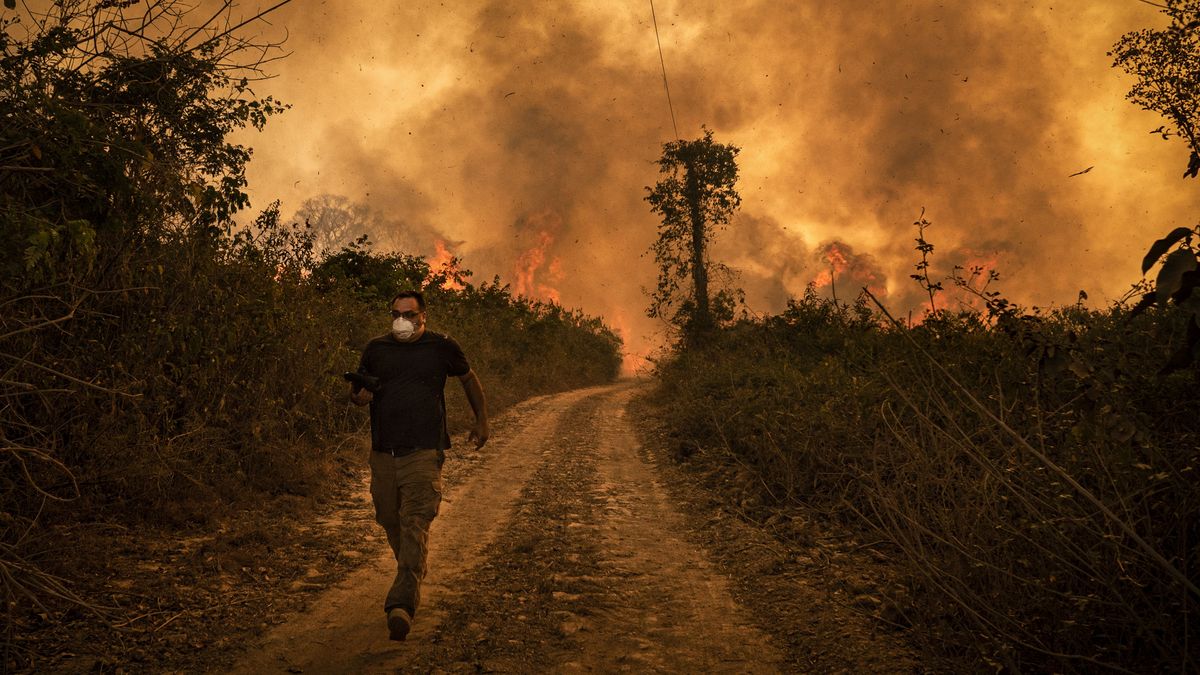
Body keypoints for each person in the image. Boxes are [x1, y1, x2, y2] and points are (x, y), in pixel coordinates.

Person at [350, 290, 489, 641]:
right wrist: (359, 396)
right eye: (396, 313)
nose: (402, 320)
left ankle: (402, 604)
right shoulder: (376, 348)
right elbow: (358, 393)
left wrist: (481, 419)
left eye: (409, 314)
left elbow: (468, 378)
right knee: (388, 518)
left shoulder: (441, 346)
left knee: (415, 522)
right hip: (383, 454)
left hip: (424, 452)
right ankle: (413, 568)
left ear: (424, 316)